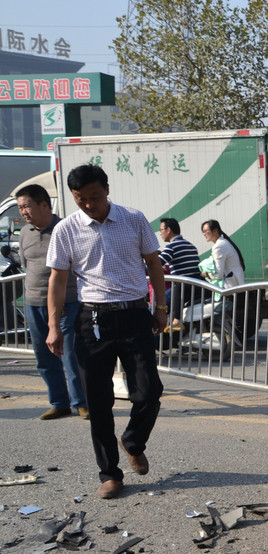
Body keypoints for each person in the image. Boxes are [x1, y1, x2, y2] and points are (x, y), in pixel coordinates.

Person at [45, 164, 167, 500]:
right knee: (98, 403)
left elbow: (153, 263)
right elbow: (58, 279)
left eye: (94, 197)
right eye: (80, 198)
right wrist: (54, 326)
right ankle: (110, 474)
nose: (88, 204)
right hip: (91, 321)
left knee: (149, 391)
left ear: (107, 190)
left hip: (134, 314)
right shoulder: (66, 229)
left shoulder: (133, 219)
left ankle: (132, 441)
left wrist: (160, 307)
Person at [16, 184, 88, 421]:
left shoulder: (66, 228)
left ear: (44, 204)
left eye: (26, 206)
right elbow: (27, 265)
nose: (23, 212)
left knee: (70, 354)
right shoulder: (25, 232)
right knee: (44, 356)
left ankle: (82, 403)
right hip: (34, 303)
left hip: (66, 302)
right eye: (20, 208)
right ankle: (59, 402)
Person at [157, 217, 201, 318]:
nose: (160, 233)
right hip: (196, 287)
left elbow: (157, 263)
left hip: (181, 288)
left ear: (168, 230)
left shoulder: (171, 246)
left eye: (161, 230)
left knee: (154, 309)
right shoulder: (191, 246)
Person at [201, 219, 246, 288]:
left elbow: (218, 274)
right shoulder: (224, 242)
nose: (204, 234)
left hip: (230, 288)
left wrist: (206, 274)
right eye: (203, 232)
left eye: (205, 231)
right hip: (236, 286)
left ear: (215, 231)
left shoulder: (219, 246)